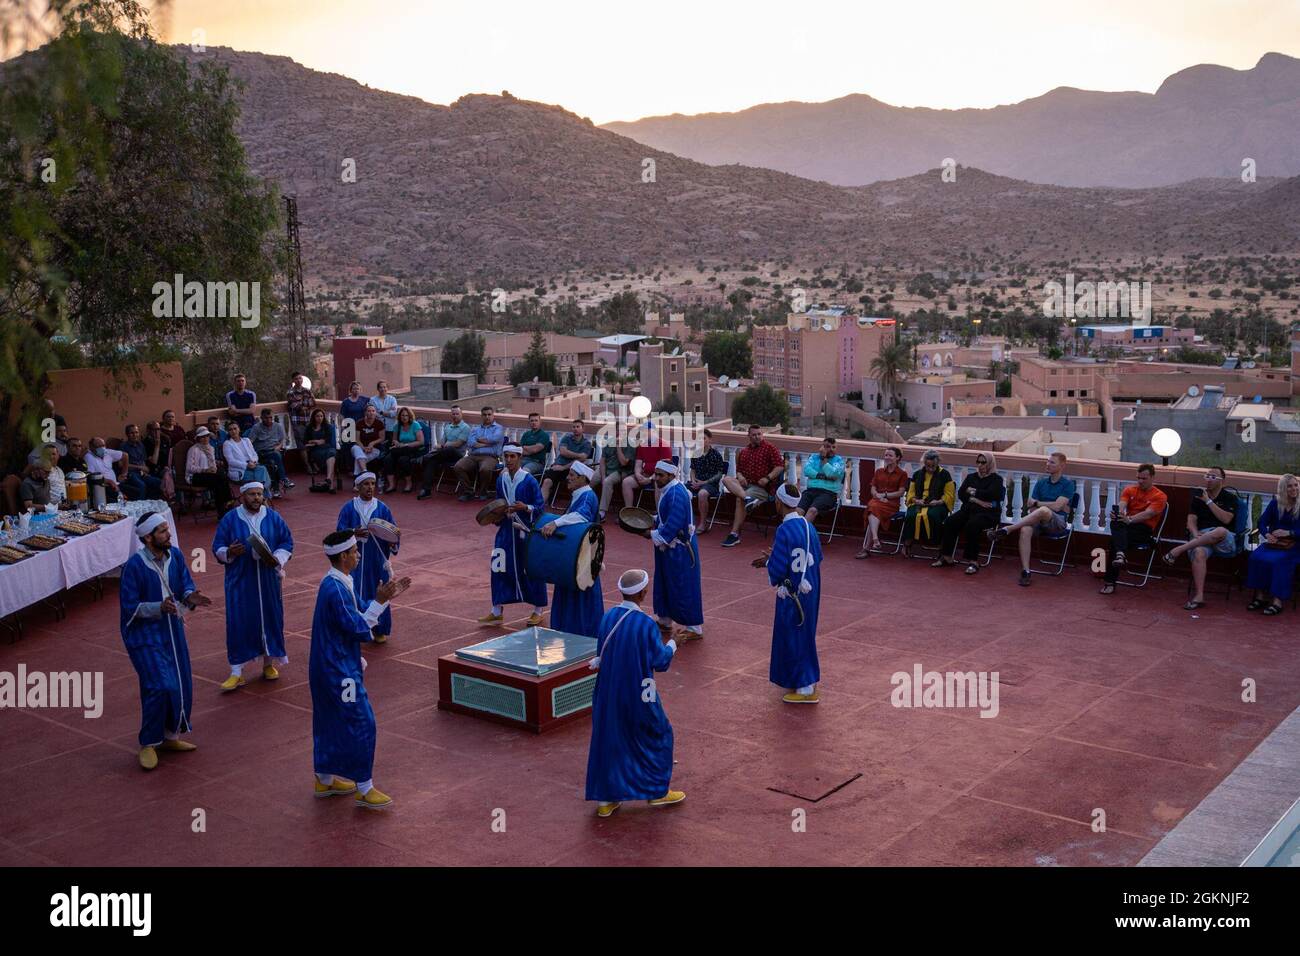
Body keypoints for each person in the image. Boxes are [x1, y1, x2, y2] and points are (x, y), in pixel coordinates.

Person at [310, 529, 409, 809]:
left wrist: (384, 598)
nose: (358, 555)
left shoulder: (339, 581)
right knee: (362, 721)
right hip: (338, 670)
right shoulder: (336, 589)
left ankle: (324, 779)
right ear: (343, 556)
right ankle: (364, 787)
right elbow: (357, 626)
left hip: (327, 665)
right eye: (354, 552)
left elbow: (360, 609)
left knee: (328, 720)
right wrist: (379, 603)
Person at [584, 568, 683, 819]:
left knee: (611, 738)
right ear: (643, 593)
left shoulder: (608, 617)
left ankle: (607, 799)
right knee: (658, 733)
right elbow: (659, 662)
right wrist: (673, 644)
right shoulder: (645, 624)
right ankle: (656, 791)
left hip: (608, 690)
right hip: (639, 692)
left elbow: (601, 652)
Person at [119, 513, 212, 770]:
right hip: (144, 636)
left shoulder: (176, 556)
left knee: (181, 682)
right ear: (148, 538)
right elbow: (130, 607)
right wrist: (159, 607)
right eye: (162, 531)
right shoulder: (134, 567)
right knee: (160, 685)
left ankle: (170, 736)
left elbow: (185, 584)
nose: (168, 534)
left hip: (172, 630)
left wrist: (191, 596)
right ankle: (148, 742)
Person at [213, 482, 294, 691]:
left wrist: (277, 558)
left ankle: (269, 665)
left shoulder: (273, 517)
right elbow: (217, 547)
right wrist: (229, 552)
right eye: (252, 494)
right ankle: (236, 672)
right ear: (242, 497)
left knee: (270, 619)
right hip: (240, 580)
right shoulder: (230, 519)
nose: (257, 498)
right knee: (239, 623)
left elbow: (287, 542)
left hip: (268, 580)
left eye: (259, 494)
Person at [756, 482, 822, 703]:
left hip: (792, 593)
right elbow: (817, 557)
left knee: (793, 636)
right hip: (810, 588)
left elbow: (778, 569)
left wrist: (770, 563)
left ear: (778, 502)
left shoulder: (784, 530)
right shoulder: (807, 525)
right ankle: (804, 680)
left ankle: (805, 688)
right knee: (804, 633)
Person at [479, 445, 547, 627]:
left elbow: (540, 507)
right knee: (498, 567)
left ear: (520, 458)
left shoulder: (530, 481)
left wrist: (525, 507)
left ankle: (538, 610)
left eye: (512, 456)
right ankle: (496, 610)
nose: (508, 460)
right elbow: (499, 502)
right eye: (506, 456)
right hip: (506, 530)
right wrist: (498, 515)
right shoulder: (501, 478)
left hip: (525, 531)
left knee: (531, 569)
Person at [988, 451, 1075, 587]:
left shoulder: (1068, 484)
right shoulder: (1041, 483)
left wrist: (1038, 504)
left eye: (1052, 462)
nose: (1048, 464)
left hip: (1057, 522)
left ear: (1062, 466)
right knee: (1025, 529)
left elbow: (1057, 507)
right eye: (1048, 461)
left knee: (1044, 510)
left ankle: (1008, 529)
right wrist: (1041, 506)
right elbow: (1031, 507)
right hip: (1038, 522)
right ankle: (1026, 571)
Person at [541, 461, 605, 637]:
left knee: (582, 593)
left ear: (583, 479)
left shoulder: (587, 496)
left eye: (571, 475)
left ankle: (582, 630)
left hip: (584, 554)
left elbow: (581, 516)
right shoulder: (579, 494)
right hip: (575, 552)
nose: (567, 478)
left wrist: (556, 522)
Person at [1162, 466, 1240, 610]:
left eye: (1213, 476)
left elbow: (1226, 520)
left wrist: (1209, 502)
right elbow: (1191, 519)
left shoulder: (1230, 498)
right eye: (1207, 476)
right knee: (1198, 552)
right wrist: (1194, 531)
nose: (1209, 479)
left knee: (1220, 530)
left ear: (1222, 480)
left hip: (1224, 541)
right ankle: (1199, 596)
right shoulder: (1198, 498)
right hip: (1202, 537)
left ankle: (1178, 550)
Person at [337, 472, 399, 644]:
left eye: (372, 483)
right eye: (366, 484)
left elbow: (394, 531)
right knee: (355, 592)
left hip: (377, 558)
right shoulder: (349, 508)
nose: (370, 487)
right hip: (354, 558)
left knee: (379, 590)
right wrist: (353, 533)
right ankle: (357, 628)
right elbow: (339, 531)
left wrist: (394, 543)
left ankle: (379, 628)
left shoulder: (382, 508)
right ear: (358, 487)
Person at [649, 460, 704, 641]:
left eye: (660, 475)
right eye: (655, 474)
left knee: (683, 586)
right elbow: (666, 517)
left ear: (671, 475)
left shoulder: (676, 494)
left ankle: (694, 627)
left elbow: (673, 524)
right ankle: (665, 620)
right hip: (669, 548)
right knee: (665, 583)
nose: (656, 478)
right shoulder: (670, 490)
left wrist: (651, 534)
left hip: (679, 549)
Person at [1098, 463, 1167, 595]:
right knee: (1116, 522)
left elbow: (1148, 514)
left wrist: (1129, 519)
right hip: (1127, 527)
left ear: (1152, 477)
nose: (1140, 481)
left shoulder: (1160, 496)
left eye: (1144, 478)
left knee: (1115, 541)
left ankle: (1110, 581)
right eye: (1138, 478)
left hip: (1143, 529)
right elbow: (1122, 504)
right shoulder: (1130, 490)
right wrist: (1118, 513)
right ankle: (1120, 555)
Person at [934, 452, 1005, 574]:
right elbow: (962, 493)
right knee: (951, 521)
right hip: (969, 509)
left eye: (983, 462)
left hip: (988, 513)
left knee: (973, 525)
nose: (980, 465)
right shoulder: (971, 477)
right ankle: (946, 556)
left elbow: (993, 495)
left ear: (990, 463)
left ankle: (973, 561)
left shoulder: (996, 479)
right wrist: (977, 499)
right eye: (978, 462)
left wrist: (973, 492)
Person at [720, 424, 785, 548]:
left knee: (740, 500)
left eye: (759, 434)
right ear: (749, 436)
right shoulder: (744, 451)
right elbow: (739, 470)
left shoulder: (770, 448)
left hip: (761, 488)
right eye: (754, 435)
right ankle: (748, 498)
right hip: (745, 485)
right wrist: (740, 477)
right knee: (727, 479)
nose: (757, 437)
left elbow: (780, 466)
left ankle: (734, 534)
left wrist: (767, 478)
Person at [1246, 473, 1300, 616]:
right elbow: (1262, 522)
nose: (1294, 488)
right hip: (1275, 543)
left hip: (1295, 545)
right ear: (1283, 488)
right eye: (1290, 486)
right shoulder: (1275, 503)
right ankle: (1260, 596)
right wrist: (1267, 534)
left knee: (1278, 562)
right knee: (1256, 557)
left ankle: (1277, 601)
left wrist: (1289, 533)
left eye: (1296, 485)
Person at [857, 446, 909, 559]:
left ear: (898, 458)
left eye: (890, 455)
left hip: (891, 504)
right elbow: (873, 488)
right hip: (877, 500)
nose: (887, 457)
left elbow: (900, 492)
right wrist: (878, 496)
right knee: (873, 508)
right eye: (886, 455)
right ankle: (874, 541)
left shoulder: (902, 474)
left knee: (872, 510)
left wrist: (885, 495)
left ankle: (868, 547)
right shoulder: (879, 471)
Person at [901, 449, 954, 556]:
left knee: (932, 515)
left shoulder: (945, 475)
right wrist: (916, 500)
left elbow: (949, 494)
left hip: (937, 504)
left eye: (933, 466)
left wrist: (939, 501)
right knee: (911, 515)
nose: (930, 469)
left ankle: (939, 545)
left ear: (937, 463)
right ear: (924, 463)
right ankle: (907, 544)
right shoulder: (917, 474)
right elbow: (911, 492)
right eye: (928, 466)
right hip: (919, 502)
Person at [417, 404, 471, 500]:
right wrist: (442, 446)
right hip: (444, 454)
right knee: (432, 461)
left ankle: (427, 457)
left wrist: (444, 445)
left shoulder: (465, 427)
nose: (455, 416)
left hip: (458, 455)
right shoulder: (447, 427)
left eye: (457, 414)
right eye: (453, 414)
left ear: (461, 414)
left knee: (447, 450)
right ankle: (426, 490)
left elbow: (458, 444)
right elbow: (440, 444)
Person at [455, 406, 505, 502]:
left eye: (489, 414)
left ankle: (483, 492)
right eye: (485, 415)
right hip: (473, 456)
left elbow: (494, 439)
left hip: (490, 457)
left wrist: (479, 441)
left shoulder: (498, 428)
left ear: (493, 415)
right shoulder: (475, 429)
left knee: (485, 469)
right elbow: (470, 443)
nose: (487, 417)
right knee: (458, 466)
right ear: (481, 416)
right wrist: (487, 443)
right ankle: (468, 492)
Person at [621, 421, 672, 510]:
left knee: (658, 482)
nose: (644, 433)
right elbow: (638, 463)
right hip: (645, 475)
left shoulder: (664, 444)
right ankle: (628, 512)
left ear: (654, 431)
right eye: (643, 431)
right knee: (626, 482)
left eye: (647, 431)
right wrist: (637, 474)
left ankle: (659, 515)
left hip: (659, 476)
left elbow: (664, 468)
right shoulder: (642, 445)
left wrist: (650, 478)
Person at [541, 418, 593, 503]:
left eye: (578, 427)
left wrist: (564, 467)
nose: (575, 429)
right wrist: (578, 455)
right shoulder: (566, 438)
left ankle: (574, 506)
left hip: (573, 470)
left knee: (577, 483)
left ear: (583, 429)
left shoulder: (586, 443)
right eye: (573, 427)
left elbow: (582, 459)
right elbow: (563, 452)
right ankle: (540, 506)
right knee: (547, 481)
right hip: (557, 466)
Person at [798, 436, 845, 526]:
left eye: (833, 447)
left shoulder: (839, 460)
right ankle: (795, 533)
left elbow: (833, 475)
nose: (831, 449)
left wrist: (824, 459)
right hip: (810, 491)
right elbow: (806, 470)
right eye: (828, 446)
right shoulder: (814, 457)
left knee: (812, 510)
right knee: (798, 511)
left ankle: (803, 534)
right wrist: (823, 476)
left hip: (828, 493)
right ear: (822, 447)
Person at [185, 427, 233, 512]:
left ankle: (225, 504)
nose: (205, 438)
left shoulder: (211, 448)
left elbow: (213, 463)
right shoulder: (194, 449)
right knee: (219, 479)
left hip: (209, 475)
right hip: (195, 476)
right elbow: (189, 468)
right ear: (198, 438)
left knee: (221, 475)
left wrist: (213, 469)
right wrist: (205, 470)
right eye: (203, 437)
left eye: (207, 436)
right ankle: (224, 505)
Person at [686, 428, 725, 532]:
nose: (701, 441)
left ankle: (702, 524)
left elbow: (719, 474)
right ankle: (683, 520)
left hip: (710, 485)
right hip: (696, 482)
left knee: (702, 494)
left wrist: (704, 482)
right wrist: (693, 481)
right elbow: (692, 469)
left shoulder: (716, 455)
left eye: (704, 438)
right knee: (679, 490)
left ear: (709, 440)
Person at [249, 408, 292, 498]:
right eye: (266, 418)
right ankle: (284, 479)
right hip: (262, 452)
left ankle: (276, 490)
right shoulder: (256, 428)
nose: (269, 420)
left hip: (275, 450)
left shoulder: (278, 426)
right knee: (275, 458)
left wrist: (278, 447)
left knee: (273, 463)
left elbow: (282, 440)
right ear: (261, 418)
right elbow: (250, 443)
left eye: (270, 417)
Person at [597, 428, 636, 521]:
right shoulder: (609, 442)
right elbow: (602, 461)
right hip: (606, 469)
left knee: (607, 481)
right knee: (591, 479)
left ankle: (601, 513)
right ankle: (587, 505)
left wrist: (618, 446)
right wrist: (602, 476)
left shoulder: (630, 444)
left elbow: (623, 463)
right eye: (619, 431)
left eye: (623, 431)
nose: (620, 433)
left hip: (621, 471)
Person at [383, 407, 424, 493]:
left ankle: (409, 483)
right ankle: (392, 484)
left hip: (412, 449)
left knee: (403, 460)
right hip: (400, 449)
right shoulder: (397, 426)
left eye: (406, 415)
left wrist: (405, 445)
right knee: (388, 459)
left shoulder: (415, 425)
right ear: (399, 416)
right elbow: (394, 440)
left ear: (410, 416)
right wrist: (397, 443)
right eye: (402, 415)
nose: (404, 417)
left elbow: (421, 442)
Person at [120, 424, 163, 501]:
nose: (135, 435)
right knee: (141, 485)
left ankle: (151, 504)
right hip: (130, 473)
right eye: (132, 433)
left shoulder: (140, 445)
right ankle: (140, 506)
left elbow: (143, 461)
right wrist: (139, 467)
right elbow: (121, 464)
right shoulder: (124, 446)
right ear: (127, 434)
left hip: (141, 473)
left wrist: (145, 470)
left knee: (158, 482)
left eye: (136, 432)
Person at [220, 421, 270, 487]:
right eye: (230, 430)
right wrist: (246, 465)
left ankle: (260, 493)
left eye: (235, 428)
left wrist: (254, 462)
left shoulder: (246, 440)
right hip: (239, 470)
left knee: (262, 469)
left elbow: (254, 454)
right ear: (228, 432)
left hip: (252, 465)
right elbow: (231, 462)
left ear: (239, 429)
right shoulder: (227, 444)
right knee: (261, 475)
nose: (233, 431)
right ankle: (263, 494)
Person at [302, 408, 337, 492]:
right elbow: (305, 441)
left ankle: (328, 480)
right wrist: (316, 441)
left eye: (321, 416)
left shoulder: (327, 427)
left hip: (328, 448)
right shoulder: (309, 428)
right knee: (331, 456)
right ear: (314, 417)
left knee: (331, 454)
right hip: (316, 450)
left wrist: (317, 441)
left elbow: (327, 440)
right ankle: (330, 485)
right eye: (317, 416)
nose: (320, 418)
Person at [286, 372, 316, 471]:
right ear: (293, 381)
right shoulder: (291, 392)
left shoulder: (307, 391)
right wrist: (303, 405)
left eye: (300, 378)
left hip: (308, 421)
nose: (299, 380)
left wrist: (302, 404)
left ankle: (313, 463)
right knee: (301, 444)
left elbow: (313, 403)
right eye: (296, 379)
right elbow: (294, 406)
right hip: (297, 422)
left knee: (310, 442)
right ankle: (307, 466)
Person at [350, 404, 388, 479]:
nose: (371, 413)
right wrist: (363, 448)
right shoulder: (359, 423)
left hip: (374, 449)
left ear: (375, 412)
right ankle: (364, 471)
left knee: (358, 459)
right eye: (369, 411)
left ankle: (357, 480)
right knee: (355, 448)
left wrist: (372, 443)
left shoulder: (379, 423)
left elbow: (382, 438)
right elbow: (357, 439)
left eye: (373, 411)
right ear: (365, 413)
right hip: (360, 447)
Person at [84, 437, 126, 503]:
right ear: (91, 447)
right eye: (99, 446)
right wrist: (109, 481)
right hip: (104, 486)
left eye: (103, 445)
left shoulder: (107, 452)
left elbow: (125, 455)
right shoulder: (89, 457)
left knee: (136, 491)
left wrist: (124, 474)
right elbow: (91, 476)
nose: (102, 448)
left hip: (116, 484)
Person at [518, 412, 552, 479]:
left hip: (537, 463)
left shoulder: (544, 435)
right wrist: (530, 449)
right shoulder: (526, 434)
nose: (534, 422)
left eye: (536, 420)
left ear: (540, 422)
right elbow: (520, 450)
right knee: (507, 470)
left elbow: (535, 449)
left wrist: (525, 447)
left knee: (523, 472)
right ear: (529, 422)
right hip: (523, 460)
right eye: (532, 421)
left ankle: (522, 489)